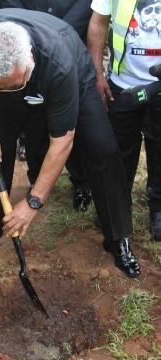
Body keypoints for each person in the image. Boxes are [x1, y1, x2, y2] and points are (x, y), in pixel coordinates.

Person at [0, 8, 140, 279]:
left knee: (103, 149)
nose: (12, 91)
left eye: (16, 84)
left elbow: (62, 142)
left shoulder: (58, 63)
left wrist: (32, 203)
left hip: (74, 79)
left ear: (30, 58)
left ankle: (118, 237)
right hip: (8, 95)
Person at [0, 0, 94, 212]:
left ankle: (81, 182)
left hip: (66, 41)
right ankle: (36, 180)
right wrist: (32, 28)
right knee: (34, 125)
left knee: (67, 124)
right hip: (24, 43)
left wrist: (54, 32)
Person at [87, 0, 161, 241]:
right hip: (122, 86)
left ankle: (158, 209)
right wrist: (97, 74)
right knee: (119, 151)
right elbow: (98, 22)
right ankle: (117, 208)